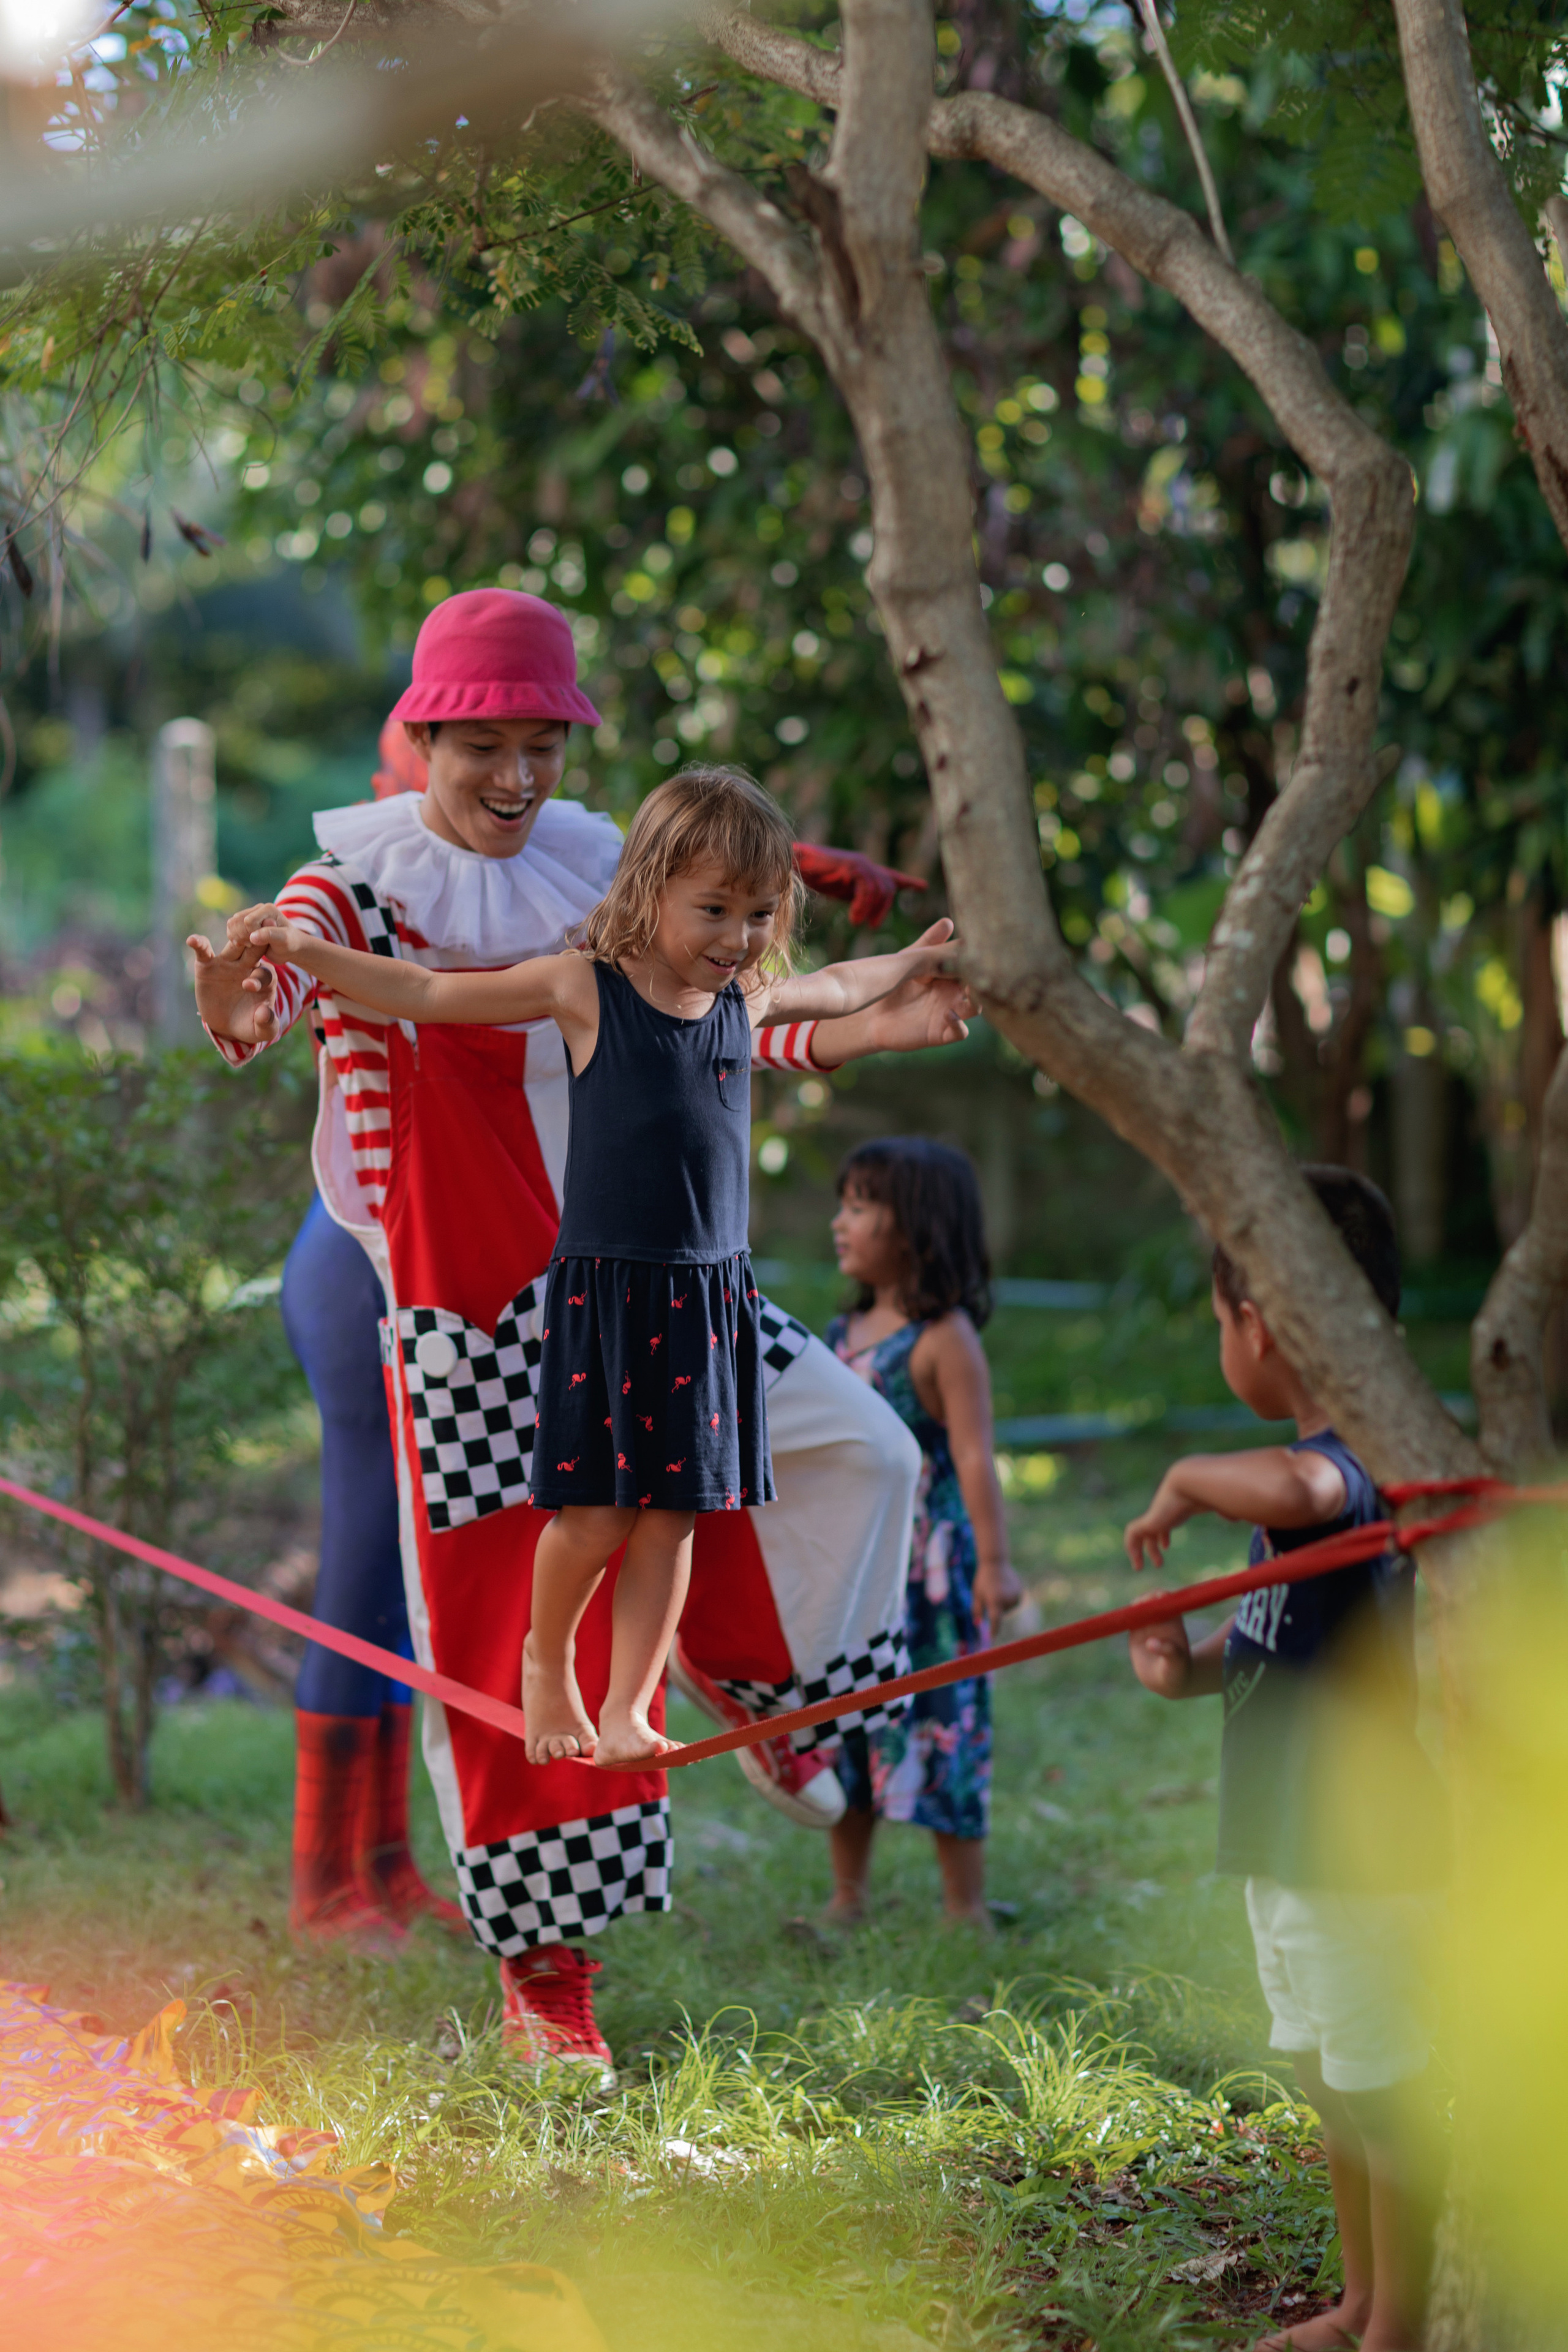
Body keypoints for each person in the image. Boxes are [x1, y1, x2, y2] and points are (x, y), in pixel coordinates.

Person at [190, 585, 965, 2076]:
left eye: (540, 742)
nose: (515, 775)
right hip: (463, 1306)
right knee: (488, 1634)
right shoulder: (351, 887)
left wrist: (869, 1011)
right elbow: (285, 981)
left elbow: (726, 1009)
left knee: (860, 1450)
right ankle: (544, 1978)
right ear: (419, 741)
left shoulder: (604, 869)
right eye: (481, 745)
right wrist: (239, 995)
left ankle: (768, 1693)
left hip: (657, 1274)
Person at [277, 717, 925, 1948]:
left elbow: (824, 989)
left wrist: (904, 969)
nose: (737, 935)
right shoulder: (562, 970)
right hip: (543, 1292)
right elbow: (425, 993)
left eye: (757, 915)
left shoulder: (719, 980)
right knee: (537, 1533)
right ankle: (514, 1701)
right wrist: (296, 961)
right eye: (715, 911)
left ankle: (641, 1701)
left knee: (676, 1516)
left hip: (703, 1300)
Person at [1125, 1167, 1448, 2352]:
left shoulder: (1351, 1464)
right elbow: (1282, 1636)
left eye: (1220, 1321)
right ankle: (1359, 2304)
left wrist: (1182, 1481)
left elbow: (1304, 1486)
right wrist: (1190, 1670)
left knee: (1380, 2089)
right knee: (1332, 2081)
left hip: (1353, 1849)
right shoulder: (1308, 1493)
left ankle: (1397, 2325)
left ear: (1256, 1325)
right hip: (1288, 1845)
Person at [821, 1139, 1020, 1928]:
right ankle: (847, 1895)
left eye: (859, 1207)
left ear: (916, 1228)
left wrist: (995, 1563)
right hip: (854, 1569)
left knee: (947, 1721)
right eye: (843, 1204)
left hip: (931, 1571)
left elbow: (973, 1456)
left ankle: (964, 1905)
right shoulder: (838, 1335)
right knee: (846, 1721)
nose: (839, 1222)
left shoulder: (945, 1339)